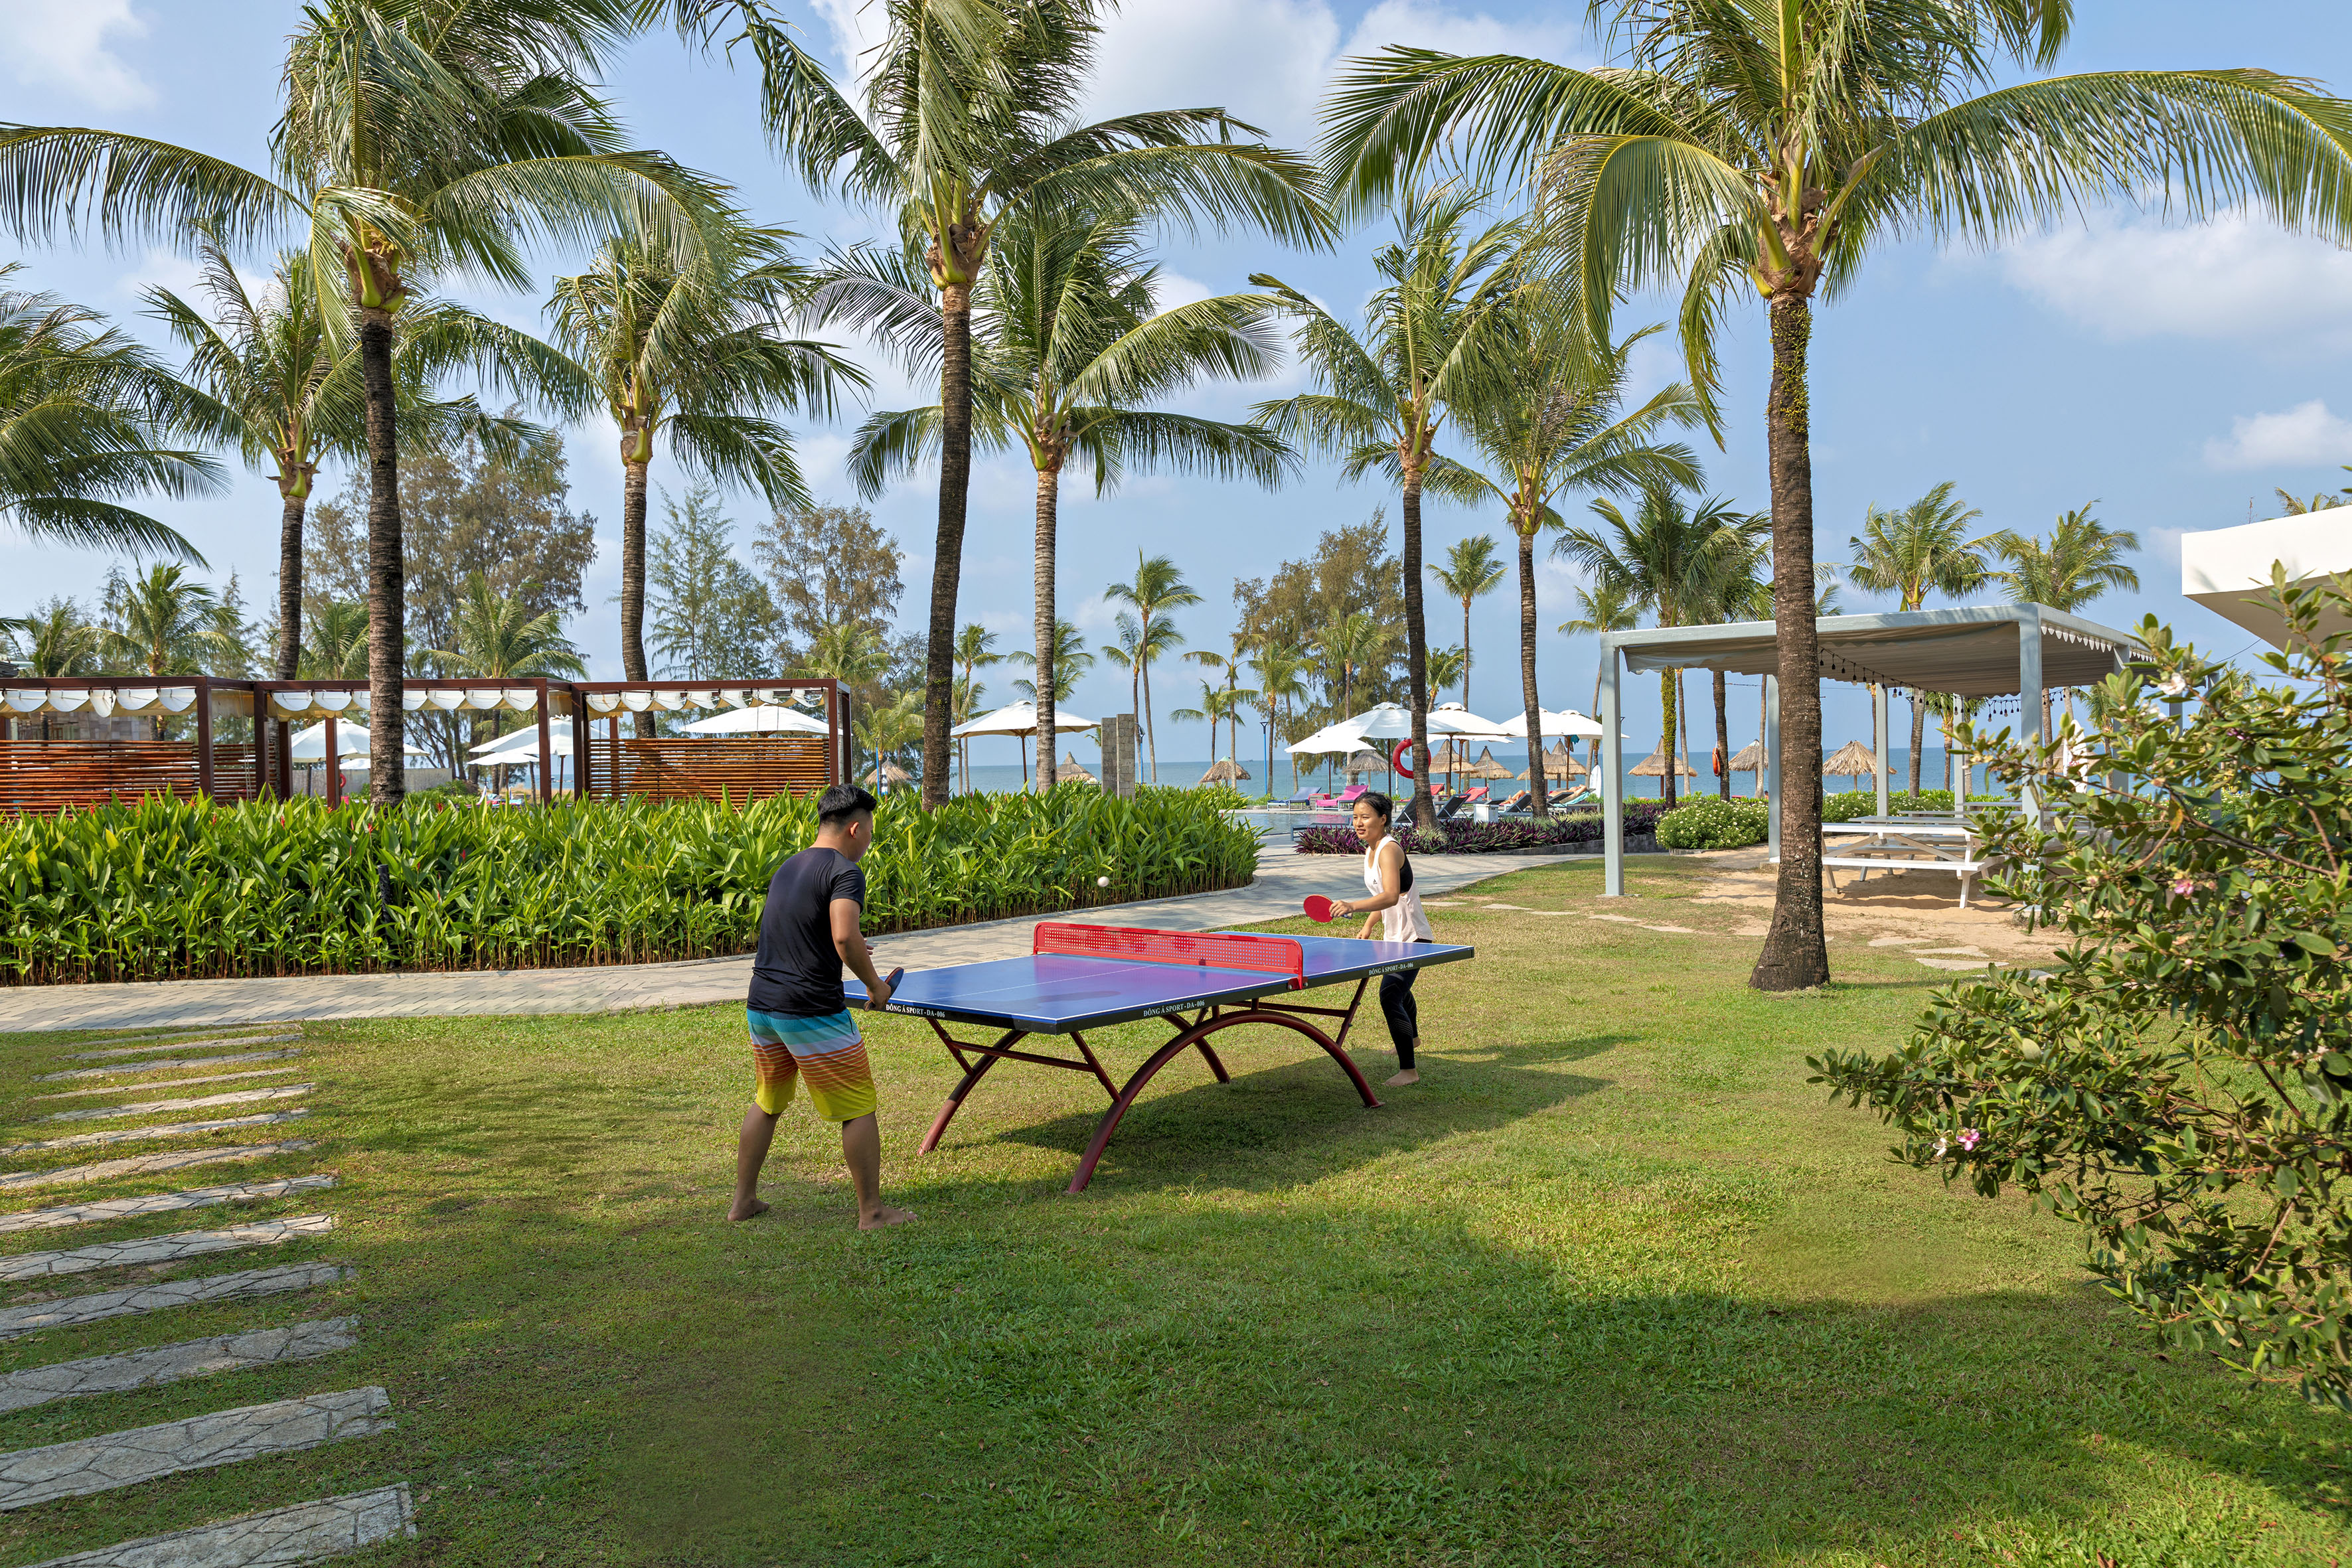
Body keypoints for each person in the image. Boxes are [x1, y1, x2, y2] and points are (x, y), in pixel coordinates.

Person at [730, 783, 915, 1229]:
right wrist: (875, 988)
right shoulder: (845, 872)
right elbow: (843, 935)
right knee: (857, 1108)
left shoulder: (789, 866)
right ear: (855, 828)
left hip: (763, 1006)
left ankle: (743, 1202)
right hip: (810, 1008)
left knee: (768, 1102)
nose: (868, 840)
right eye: (869, 831)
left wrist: (842, 947)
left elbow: (803, 930)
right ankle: (871, 1212)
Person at [1325, 791, 1433, 1087]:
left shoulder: (1388, 849)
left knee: (1390, 994)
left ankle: (1409, 1071)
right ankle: (1412, 1037)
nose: (1358, 823)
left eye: (1366, 817)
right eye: (1355, 817)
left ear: (1383, 819)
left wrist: (1353, 907)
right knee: (1399, 990)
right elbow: (1385, 898)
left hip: (1414, 938)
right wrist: (1371, 923)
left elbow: (1390, 894)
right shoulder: (1370, 851)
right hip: (1393, 938)